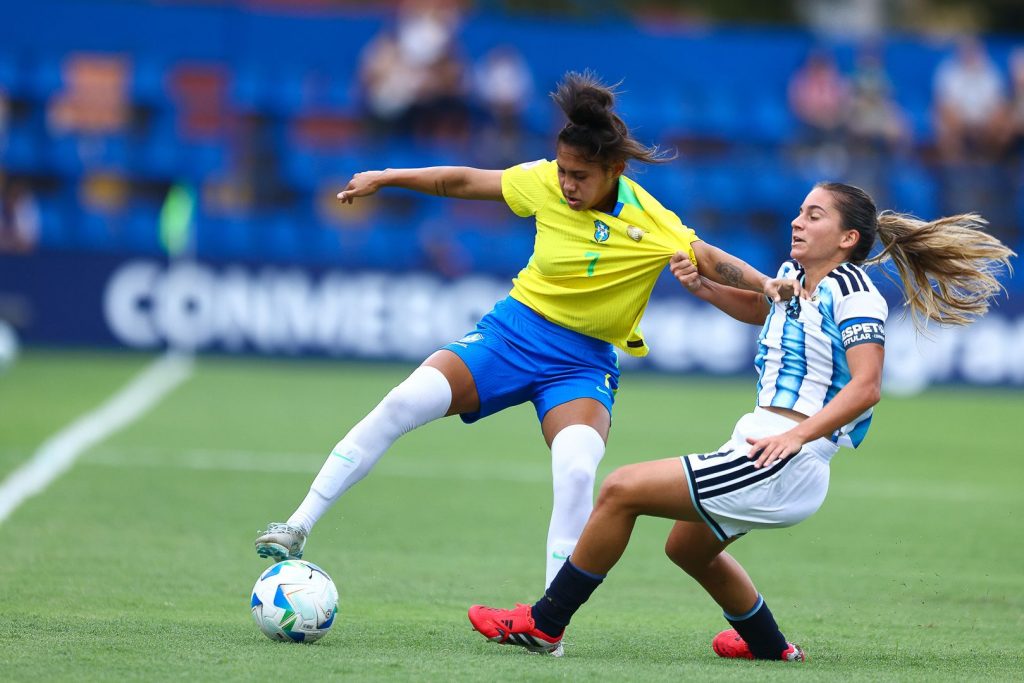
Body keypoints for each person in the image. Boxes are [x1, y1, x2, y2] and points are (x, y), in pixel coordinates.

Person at [253, 71, 787, 610]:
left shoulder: (653, 222)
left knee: (578, 466)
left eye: (579, 175)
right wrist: (387, 175)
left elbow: (712, 259)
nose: (566, 185)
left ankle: (549, 618)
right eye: (561, 171)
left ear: (615, 170)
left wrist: (767, 284)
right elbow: (459, 182)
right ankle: (296, 525)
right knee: (402, 402)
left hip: (582, 364)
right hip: (512, 333)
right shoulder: (543, 182)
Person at [467, 182, 1015, 661]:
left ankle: (544, 623)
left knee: (619, 490)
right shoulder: (791, 276)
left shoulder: (853, 292)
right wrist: (705, 288)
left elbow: (866, 385)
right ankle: (770, 646)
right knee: (687, 548)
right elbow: (766, 311)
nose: (798, 221)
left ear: (848, 238)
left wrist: (796, 436)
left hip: (787, 456)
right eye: (800, 211)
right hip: (762, 440)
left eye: (815, 215)